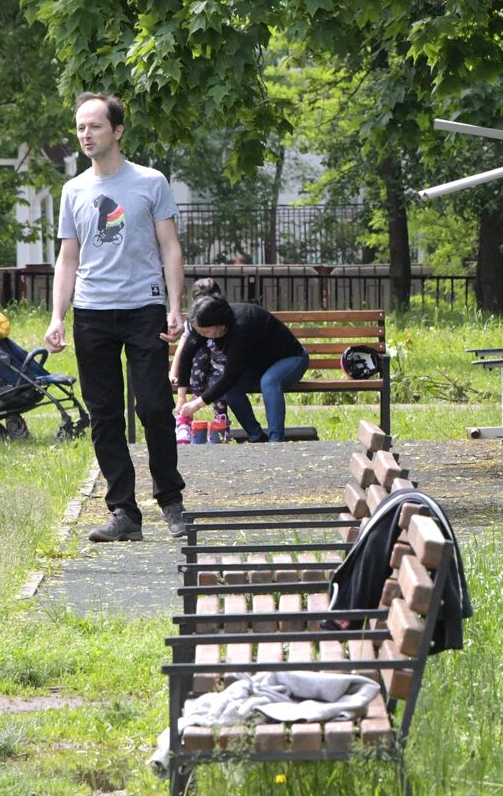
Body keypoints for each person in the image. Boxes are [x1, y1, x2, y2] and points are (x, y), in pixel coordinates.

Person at [44, 92, 189, 542]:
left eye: (95, 126)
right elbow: (68, 258)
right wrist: (57, 316)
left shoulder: (151, 182)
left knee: (154, 407)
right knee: (105, 415)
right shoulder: (74, 190)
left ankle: (171, 502)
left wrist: (175, 307)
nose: (86, 135)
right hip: (91, 313)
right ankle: (123, 512)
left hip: (143, 308)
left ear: (118, 131)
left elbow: (170, 248)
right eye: (81, 128)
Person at [175, 296, 309, 442]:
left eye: (205, 333)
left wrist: (197, 403)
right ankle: (257, 437)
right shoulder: (203, 326)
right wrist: (181, 397)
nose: (202, 336)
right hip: (259, 365)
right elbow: (187, 355)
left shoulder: (241, 326)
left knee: (269, 382)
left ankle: (275, 442)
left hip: (291, 358)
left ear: (219, 324)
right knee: (231, 389)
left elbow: (230, 376)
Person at [170, 278, 229, 442]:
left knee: (218, 383)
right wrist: (173, 373)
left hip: (220, 369)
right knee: (199, 351)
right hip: (199, 370)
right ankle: (185, 419)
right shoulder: (195, 323)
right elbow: (184, 351)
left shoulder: (224, 319)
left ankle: (221, 423)